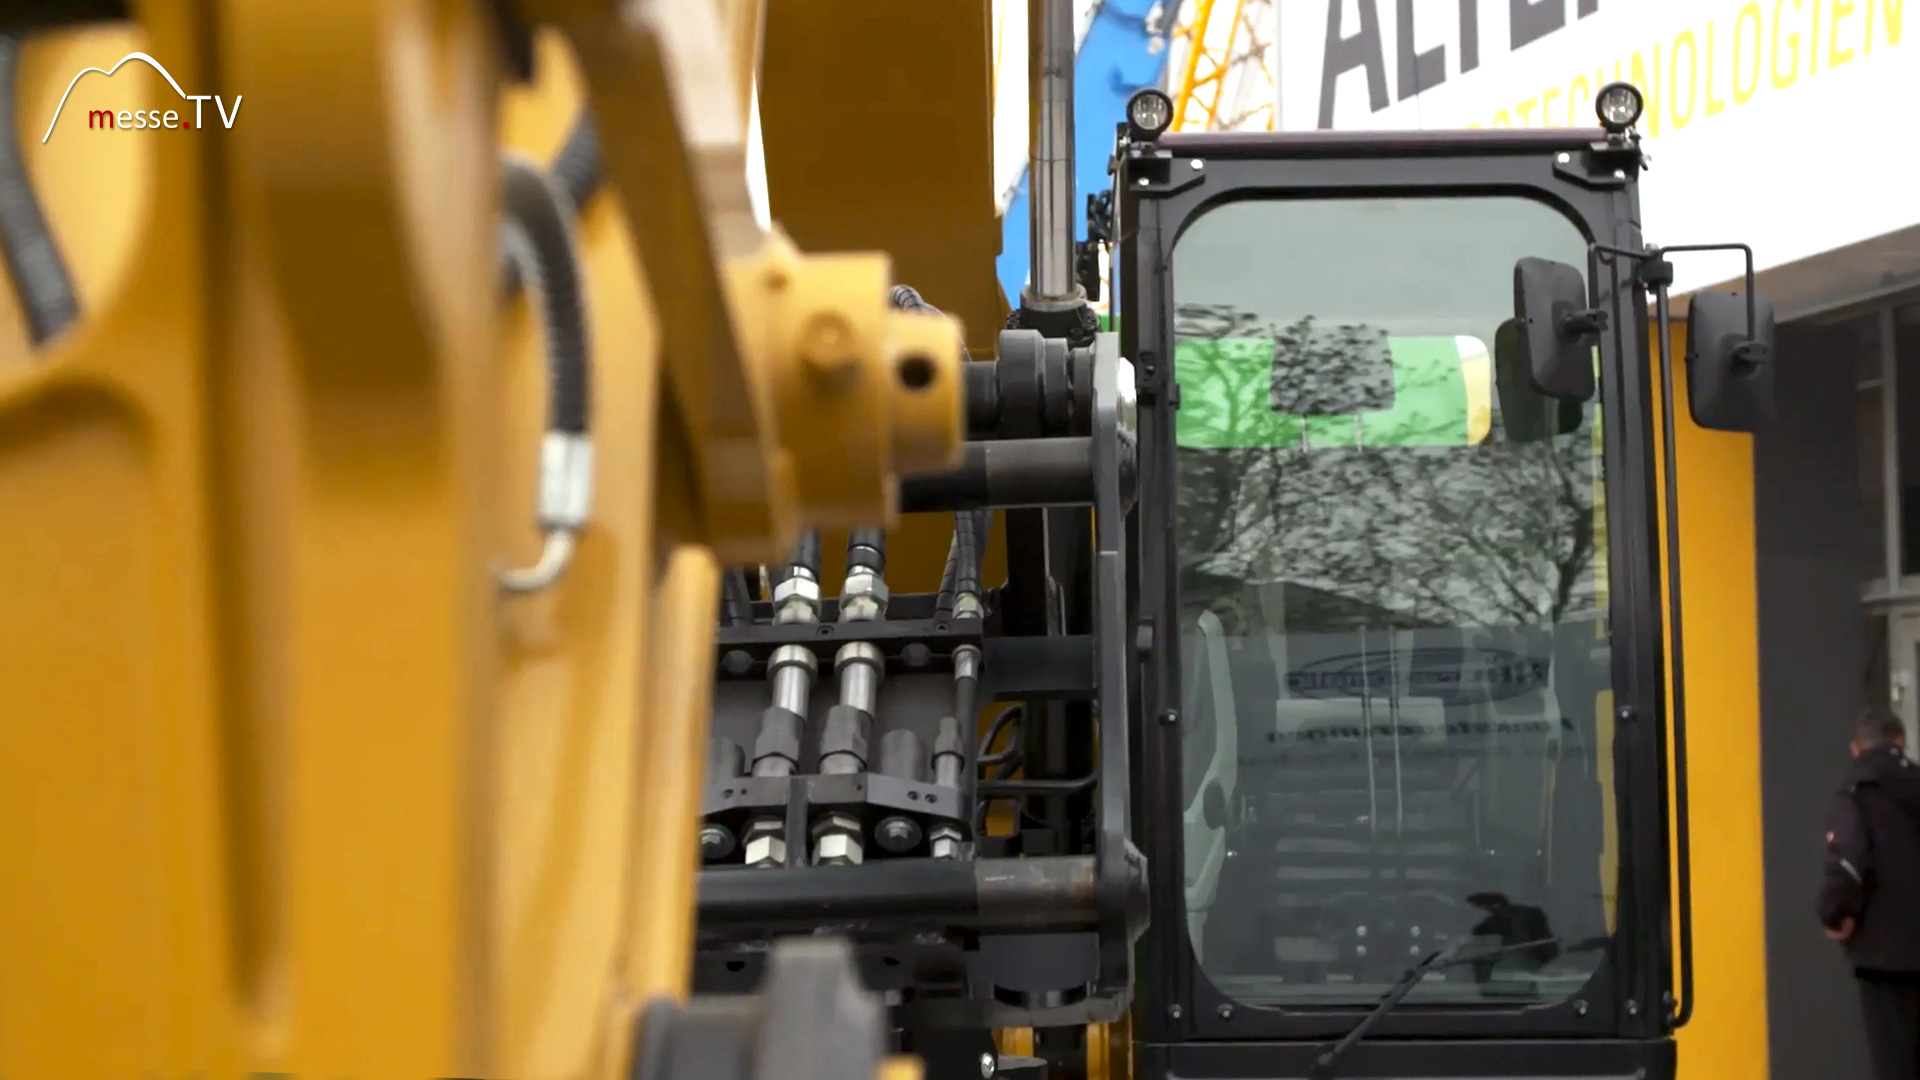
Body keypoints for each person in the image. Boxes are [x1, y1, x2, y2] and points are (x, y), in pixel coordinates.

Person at [1820, 706, 1920, 1080]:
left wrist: (1835, 914)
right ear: (1901, 742)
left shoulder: (1855, 794)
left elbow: (1848, 862)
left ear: (1856, 749)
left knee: (1895, 1065)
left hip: (1885, 958)